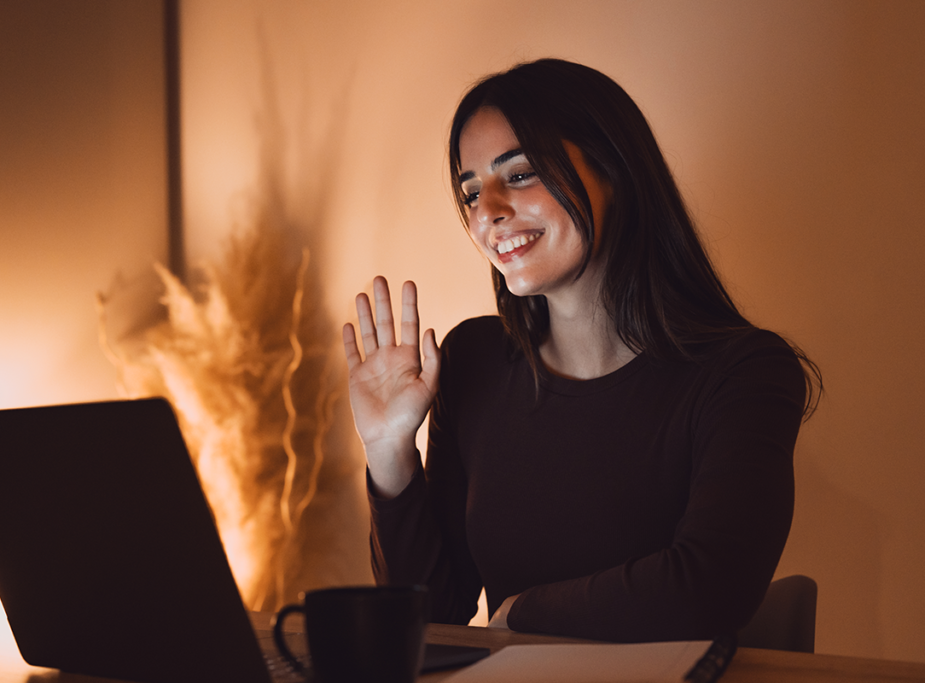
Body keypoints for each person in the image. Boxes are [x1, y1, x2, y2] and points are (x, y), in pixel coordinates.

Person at [341, 58, 821, 642]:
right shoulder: (474, 360)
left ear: (612, 170)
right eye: (470, 193)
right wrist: (390, 452)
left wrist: (522, 615)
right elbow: (430, 620)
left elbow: (710, 588)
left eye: (518, 176)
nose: (487, 212)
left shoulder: (744, 374)